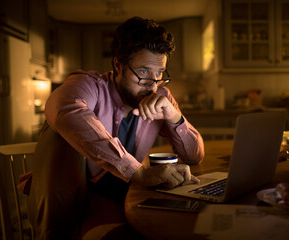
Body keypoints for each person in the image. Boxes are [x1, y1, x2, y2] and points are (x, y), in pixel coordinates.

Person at [27, 16, 204, 239]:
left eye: (159, 73)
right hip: (77, 200)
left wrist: (175, 117)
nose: (152, 83)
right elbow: (64, 108)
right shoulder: (91, 86)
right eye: (143, 72)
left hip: (125, 196)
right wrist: (138, 172)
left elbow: (195, 156)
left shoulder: (160, 97)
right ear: (118, 65)